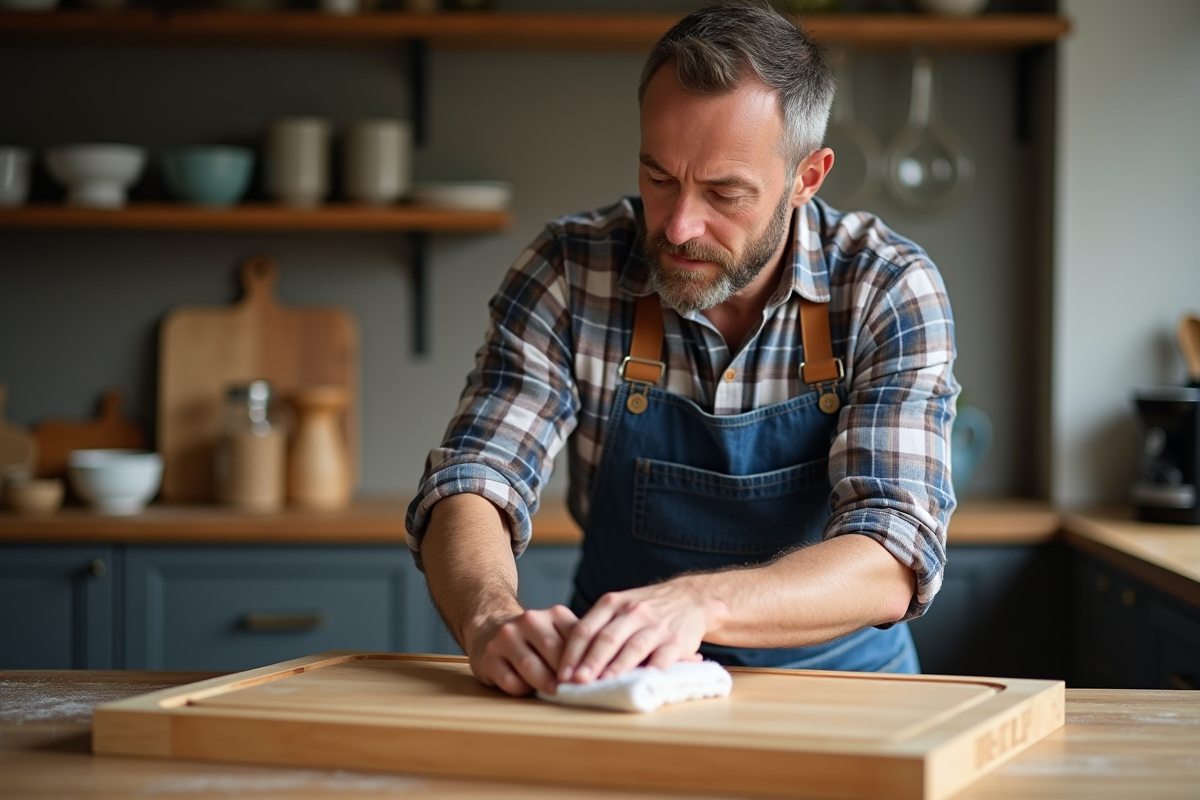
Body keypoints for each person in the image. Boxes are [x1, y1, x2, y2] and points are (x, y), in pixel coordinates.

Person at [405, 1, 958, 698]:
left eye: (724, 192)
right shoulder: (572, 270)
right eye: (659, 177)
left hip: (842, 691)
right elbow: (475, 479)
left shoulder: (886, 288)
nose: (678, 225)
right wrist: (488, 619)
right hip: (617, 687)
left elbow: (894, 551)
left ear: (806, 178)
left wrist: (700, 604)